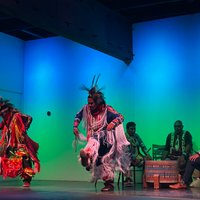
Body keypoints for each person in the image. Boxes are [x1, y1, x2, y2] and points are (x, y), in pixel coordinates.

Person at [73, 75, 130, 192]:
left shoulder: (107, 110)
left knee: (98, 138)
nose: (89, 105)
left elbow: (121, 117)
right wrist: (75, 126)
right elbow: (77, 116)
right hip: (93, 141)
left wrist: (113, 124)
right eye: (88, 103)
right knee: (99, 162)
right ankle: (105, 180)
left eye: (91, 103)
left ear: (98, 103)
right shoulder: (86, 109)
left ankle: (88, 156)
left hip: (106, 141)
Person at [0, 97, 40, 187]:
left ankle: (27, 180)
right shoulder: (5, 121)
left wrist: (23, 129)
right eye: (1, 114)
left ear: (8, 110)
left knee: (25, 160)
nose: (3, 115)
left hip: (20, 143)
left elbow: (29, 118)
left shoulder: (16, 116)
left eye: (4, 113)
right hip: (9, 144)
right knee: (4, 158)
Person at [124, 121, 151, 186]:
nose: (133, 130)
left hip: (137, 157)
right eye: (131, 129)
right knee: (127, 161)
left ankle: (147, 179)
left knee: (147, 161)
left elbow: (143, 145)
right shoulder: (124, 137)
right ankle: (128, 179)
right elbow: (123, 152)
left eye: (134, 129)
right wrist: (133, 157)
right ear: (127, 129)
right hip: (126, 158)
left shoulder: (136, 136)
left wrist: (147, 154)